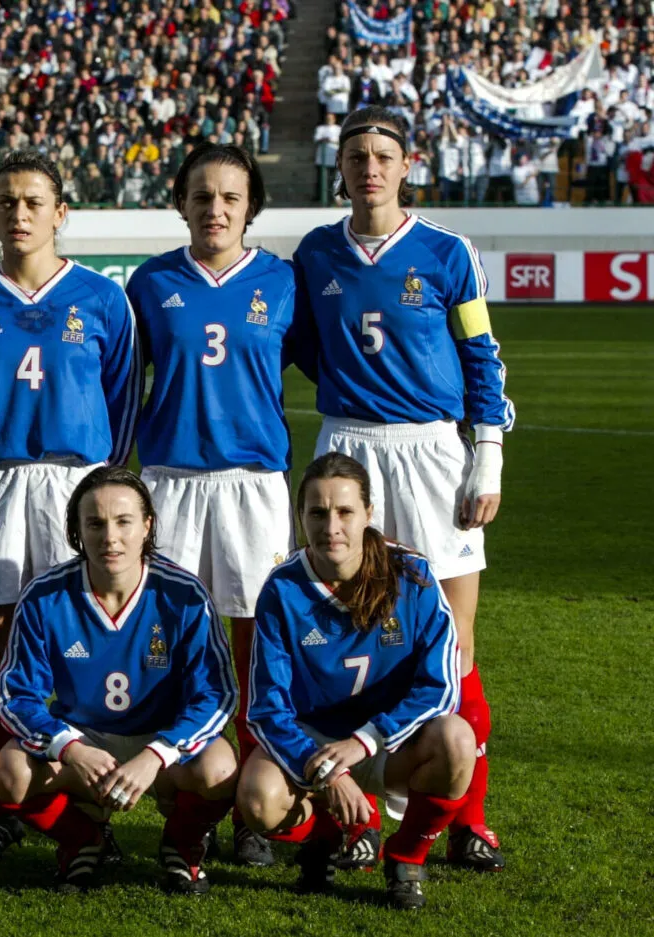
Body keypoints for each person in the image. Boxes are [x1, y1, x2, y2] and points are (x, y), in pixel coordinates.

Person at [293, 105, 513, 872]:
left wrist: (486, 452)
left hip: (428, 451)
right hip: (348, 446)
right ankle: (349, 809)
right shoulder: (315, 253)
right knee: (350, 626)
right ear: (341, 165)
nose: (369, 166)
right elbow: (299, 349)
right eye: (356, 154)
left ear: (406, 162)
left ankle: (466, 816)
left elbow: (482, 355)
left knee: (454, 636)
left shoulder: (450, 252)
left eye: (383, 152)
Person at [0, 149, 140, 865]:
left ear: (60, 212)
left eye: (32, 201)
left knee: (67, 633)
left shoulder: (103, 299)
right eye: (5, 200)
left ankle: (74, 790)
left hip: (72, 481)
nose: (18, 214)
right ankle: (0, 798)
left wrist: (93, 479)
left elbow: (122, 403)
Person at [125, 143, 304, 870]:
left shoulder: (283, 283)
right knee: (168, 642)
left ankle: (255, 803)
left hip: (253, 484)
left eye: (230, 197)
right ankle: (186, 801)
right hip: (169, 481)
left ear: (250, 206)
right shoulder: (150, 282)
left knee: (256, 645)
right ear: (182, 203)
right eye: (202, 196)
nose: (216, 209)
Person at [237, 452, 473, 910]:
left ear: (369, 513)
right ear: (300, 517)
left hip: (390, 742)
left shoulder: (413, 576)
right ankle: (322, 841)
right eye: (317, 513)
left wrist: (366, 741)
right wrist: (328, 771)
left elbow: (440, 687)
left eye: (345, 512)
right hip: (314, 744)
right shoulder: (281, 590)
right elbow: (267, 710)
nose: (332, 527)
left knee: (457, 742)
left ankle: (406, 858)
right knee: (257, 800)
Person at [0, 467, 238, 895]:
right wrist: (68, 748)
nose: (110, 537)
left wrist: (157, 754)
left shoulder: (183, 594)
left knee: (219, 767)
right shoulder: (45, 596)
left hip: (160, 747)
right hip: (85, 743)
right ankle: (82, 839)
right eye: (95, 523)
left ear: (147, 525)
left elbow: (216, 695)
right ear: (76, 531)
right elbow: (17, 696)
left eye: (124, 521)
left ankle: (181, 844)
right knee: (12, 770)